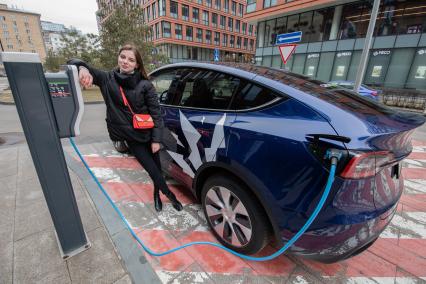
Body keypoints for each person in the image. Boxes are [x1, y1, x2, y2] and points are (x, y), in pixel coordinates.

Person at [67, 43, 183, 212]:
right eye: (123, 57)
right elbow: (73, 61)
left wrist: (156, 140)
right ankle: (170, 196)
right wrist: (83, 69)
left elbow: (156, 114)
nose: (125, 62)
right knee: (152, 171)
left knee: (157, 170)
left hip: (150, 136)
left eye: (131, 59)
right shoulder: (107, 79)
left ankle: (157, 194)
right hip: (133, 139)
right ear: (118, 58)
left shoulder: (145, 85)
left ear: (137, 64)